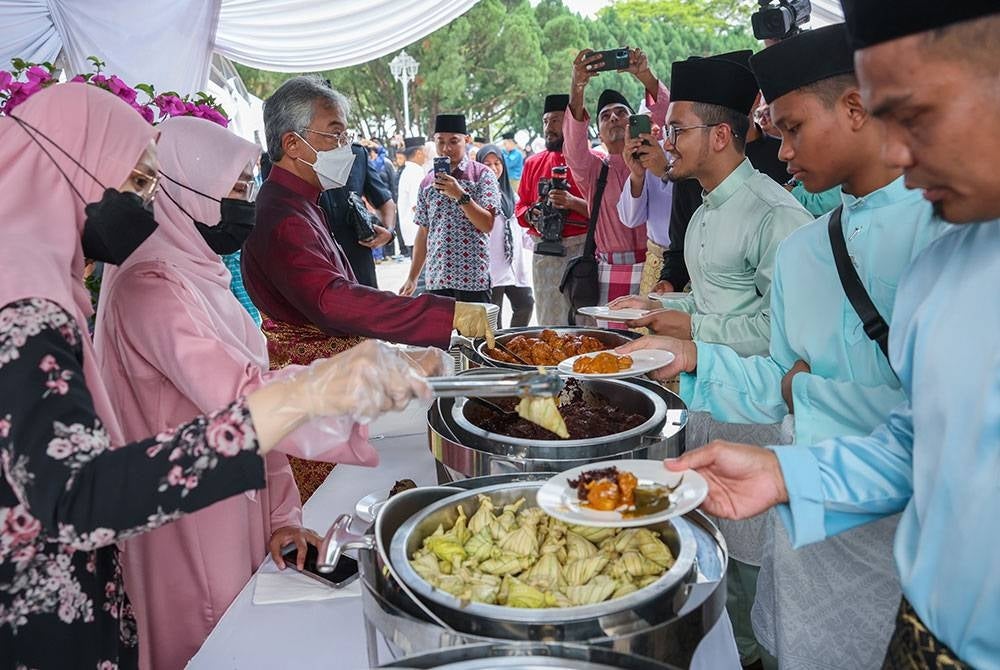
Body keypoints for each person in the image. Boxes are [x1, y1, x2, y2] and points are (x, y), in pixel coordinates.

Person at [0, 82, 446, 669]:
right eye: (137, 183)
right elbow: (79, 496)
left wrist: (282, 512)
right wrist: (314, 391)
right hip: (151, 546)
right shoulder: (45, 302)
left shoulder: (61, 283)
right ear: (73, 169)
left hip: (186, 519)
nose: (148, 202)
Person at [654, 4, 1000, 667]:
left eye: (915, 115)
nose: (898, 151)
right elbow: (920, 439)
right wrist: (786, 469)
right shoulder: (941, 259)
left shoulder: (935, 234)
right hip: (909, 620)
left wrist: (808, 404)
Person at [93, 116, 382, 670]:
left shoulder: (203, 276)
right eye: (233, 188)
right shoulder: (148, 287)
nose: (244, 202)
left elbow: (258, 416)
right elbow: (243, 398)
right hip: (186, 515)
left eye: (248, 185)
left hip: (238, 496)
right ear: (183, 191)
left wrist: (282, 519)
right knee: (206, 642)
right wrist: (353, 387)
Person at [241, 76, 493, 499]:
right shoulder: (281, 214)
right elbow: (331, 299)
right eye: (335, 133)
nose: (346, 147)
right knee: (326, 505)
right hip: (314, 385)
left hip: (329, 374)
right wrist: (445, 314)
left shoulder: (301, 201)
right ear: (294, 143)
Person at [565, 48, 668, 316]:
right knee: (613, 351)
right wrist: (577, 86)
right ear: (598, 132)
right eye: (605, 116)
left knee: (653, 352)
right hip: (609, 273)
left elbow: (669, 117)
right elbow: (574, 145)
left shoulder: (657, 157)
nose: (613, 118)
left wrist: (645, 75)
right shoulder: (593, 169)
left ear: (635, 121)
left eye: (621, 112)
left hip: (656, 268)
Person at [400, 114, 501, 304]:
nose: (446, 148)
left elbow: (487, 224)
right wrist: (412, 277)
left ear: (467, 140)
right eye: (441, 142)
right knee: (440, 334)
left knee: (477, 334)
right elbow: (423, 232)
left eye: (454, 141)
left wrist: (459, 195)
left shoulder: (482, 175)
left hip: (473, 280)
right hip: (437, 280)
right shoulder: (427, 182)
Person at [515, 93, 590, 326]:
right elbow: (521, 206)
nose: (549, 127)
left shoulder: (594, 160)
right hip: (545, 252)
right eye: (546, 121)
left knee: (586, 318)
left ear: (570, 123)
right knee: (549, 321)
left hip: (583, 249)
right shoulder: (533, 163)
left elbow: (605, 213)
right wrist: (531, 214)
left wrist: (571, 203)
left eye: (556, 120)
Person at [316, 131, 396, 288]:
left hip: (358, 261)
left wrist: (389, 232)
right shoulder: (294, 158)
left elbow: (384, 200)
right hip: (318, 261)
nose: (339, 134)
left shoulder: (357, 154)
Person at [477, 143, 534, 327]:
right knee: (495, 319)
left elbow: (520, 230)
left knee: (525, 304)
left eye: (497, 163)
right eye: (487, 164)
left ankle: (514, 343)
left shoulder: (512, 196)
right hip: (491, 267)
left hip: (513, 265)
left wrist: (538, 242)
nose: (493, 169)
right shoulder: (477, 197)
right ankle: (497, 354)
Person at [397, 136, 427, 258]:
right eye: (424, 151)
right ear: (419, 153)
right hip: (418, 232)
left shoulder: (409, 170)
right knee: (422, 275)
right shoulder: (415, 172)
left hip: (413, 231)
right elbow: (417, 205)